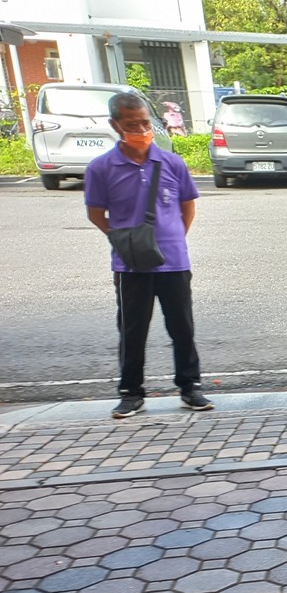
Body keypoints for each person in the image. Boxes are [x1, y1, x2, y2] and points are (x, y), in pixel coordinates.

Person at [85, 92, 211, 419]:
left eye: (145, 122)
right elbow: (96, 213)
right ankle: (131, 392)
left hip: (174, 261)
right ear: (116, 126)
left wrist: (171, 239)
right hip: (130, 266)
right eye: (132, 125)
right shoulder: (101, 168)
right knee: (132, 330)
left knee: (182, 327)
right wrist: (124, 240)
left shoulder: (172, 162)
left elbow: (187, 207)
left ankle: (190, 386)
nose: (141, 129)